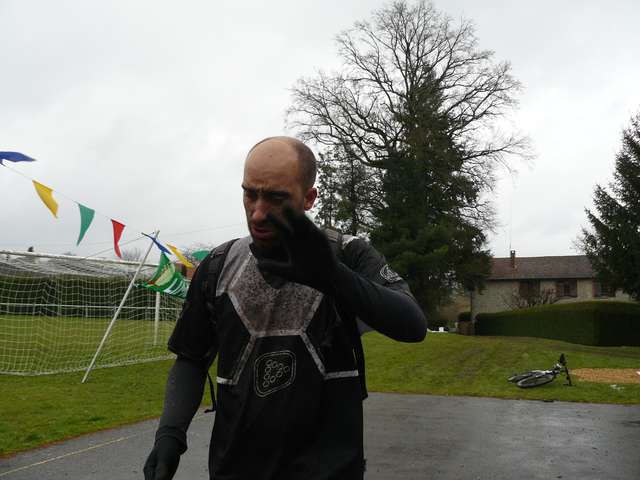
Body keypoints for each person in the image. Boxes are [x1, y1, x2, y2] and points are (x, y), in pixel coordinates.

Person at [143, 136, 427, 480]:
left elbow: (413, 325)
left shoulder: (347, 254)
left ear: (309, 198)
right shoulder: (219, 265)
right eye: (250, 194)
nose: (257, 212)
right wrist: (170, 434)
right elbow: (191, 357)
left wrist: (333, 276)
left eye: (276, 198)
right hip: (234, 470)